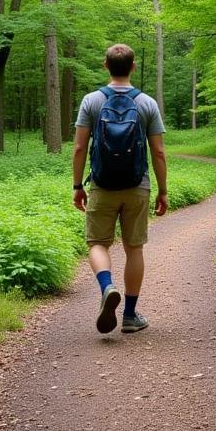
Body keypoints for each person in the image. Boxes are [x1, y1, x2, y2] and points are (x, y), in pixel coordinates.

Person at [72, 43, 168, 335]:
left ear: (105, 66)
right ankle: (129, 315)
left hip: (102, 184)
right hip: (137, 185)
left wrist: (78, 185)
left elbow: (79, 148)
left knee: (98, 243)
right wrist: (163, 191)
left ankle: (106, 286)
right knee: (133, 248)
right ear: (133, 67)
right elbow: (159, 153)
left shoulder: (91, 101)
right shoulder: (147, 103)